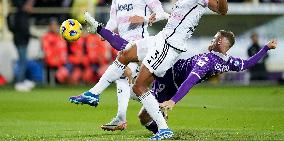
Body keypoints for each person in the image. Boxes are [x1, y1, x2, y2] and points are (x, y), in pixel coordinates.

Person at [70, 0, 228, 140]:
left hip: (169, 46)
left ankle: (164, 129)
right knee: (125, 53)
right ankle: (93, 94)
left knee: (139, 86)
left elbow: (222, 10)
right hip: (161, 39)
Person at [73, 26, 277, 133]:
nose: (213, 40)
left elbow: (190, 80)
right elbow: (249, 63)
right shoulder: (227, 61)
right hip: (169, 73)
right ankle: (159, 125)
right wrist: (266, 48)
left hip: (169, 73)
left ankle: (159, 126)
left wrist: (173, 101)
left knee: (141, 109)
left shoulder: (208, 60)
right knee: (129, 58)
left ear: (223, 42)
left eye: (216, 38)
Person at [93, 0, 171, 131]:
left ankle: (122, 118)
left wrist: (143, 19)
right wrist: (105, 32)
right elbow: (113, 19)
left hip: (139, 45)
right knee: (131, 85)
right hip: (123, 45)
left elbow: (161, 14)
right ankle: (155, 107)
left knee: (124, 78)